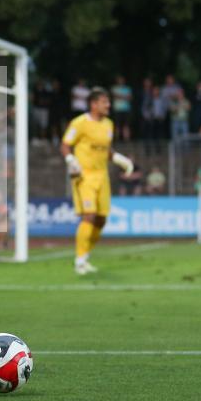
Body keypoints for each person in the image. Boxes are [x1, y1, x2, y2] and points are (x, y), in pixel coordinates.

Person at [61, 87, 134, 275]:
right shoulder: (79, 123)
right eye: (104, 102)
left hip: (103, 176)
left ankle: (84, 257)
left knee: (101, 220)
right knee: (89, 215)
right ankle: (79, 261)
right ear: (93, 104)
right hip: (84, 176)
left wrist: (121, 160)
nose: (108, 105)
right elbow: (65, 145)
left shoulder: (108, 124)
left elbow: (106, 150)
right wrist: (71, 161)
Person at [110, 75, 132, 141]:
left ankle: (126, 140)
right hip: (117, 109)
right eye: (119, 80)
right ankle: (117, 139)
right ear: (117, 81)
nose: (121, 81)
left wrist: (119, 96)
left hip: (126, 109)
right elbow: (114, 97)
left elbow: (130, 98)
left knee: (126, 125)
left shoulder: (128, 88)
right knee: (117, 125)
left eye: (122, 80)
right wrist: (125, 97)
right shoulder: (114, 88)